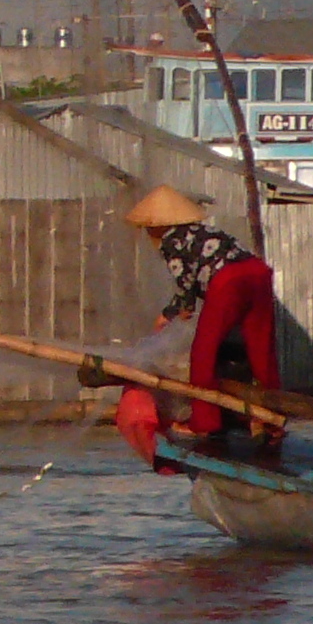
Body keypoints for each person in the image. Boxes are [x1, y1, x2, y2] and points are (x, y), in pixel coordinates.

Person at [125, 185, 281, 437]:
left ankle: (204, 423)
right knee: (262, 353)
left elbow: (186, 285)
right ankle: (273, 421)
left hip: (228, 281)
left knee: (203, 355)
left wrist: (169, 314)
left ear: (156, 226)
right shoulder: (205, 231)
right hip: (257, 273)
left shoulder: (170, 241)